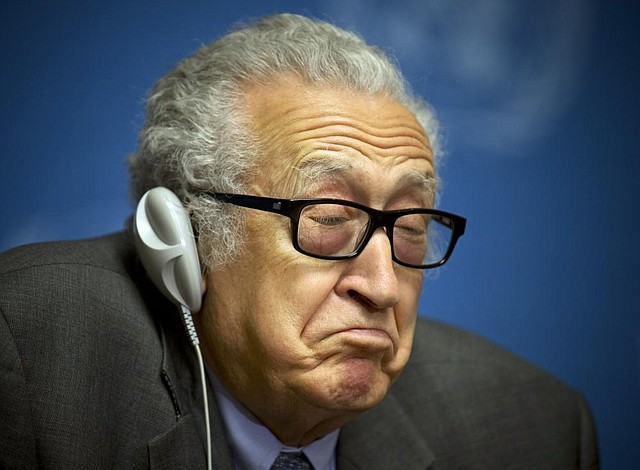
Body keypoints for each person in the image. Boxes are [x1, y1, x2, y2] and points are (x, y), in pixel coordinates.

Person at [0, 13, 598, 470]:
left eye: (410, 228)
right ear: (186, 239)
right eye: (329, 219)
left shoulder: (535, 428)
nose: (384, 287)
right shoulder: (23, 360)